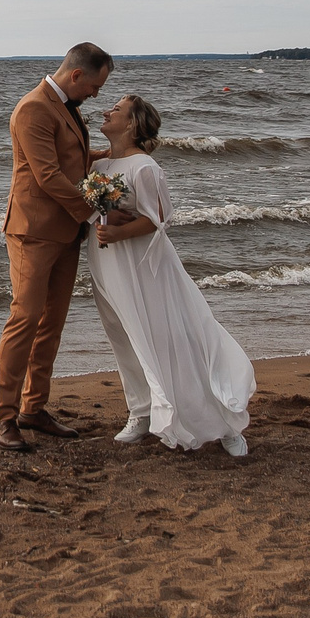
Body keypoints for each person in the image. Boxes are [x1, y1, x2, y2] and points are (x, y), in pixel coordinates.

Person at [87, 93, 255, 455]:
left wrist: (117, 232)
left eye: (115, 110)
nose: (105, 111)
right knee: (125, 338)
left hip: (144, 264)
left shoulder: (144, 167)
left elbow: (158, 219)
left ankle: (224, 420)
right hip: (108, 263)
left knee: (175, 337)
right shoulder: (99, 168)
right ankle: (141, 412)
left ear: (131, 124)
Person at [0, 42, 124, 451]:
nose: (97, 95)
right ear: (77, 75)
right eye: (96, 86)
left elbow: (73, 160)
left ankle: (34, 409)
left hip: (67, 232)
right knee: (25, 319)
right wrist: (96, 211)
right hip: (33, 230)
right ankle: (4, 416)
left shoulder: (66, 107)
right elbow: (48, 176)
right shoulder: (33, 108)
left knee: (51, 325)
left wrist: (122, 155)